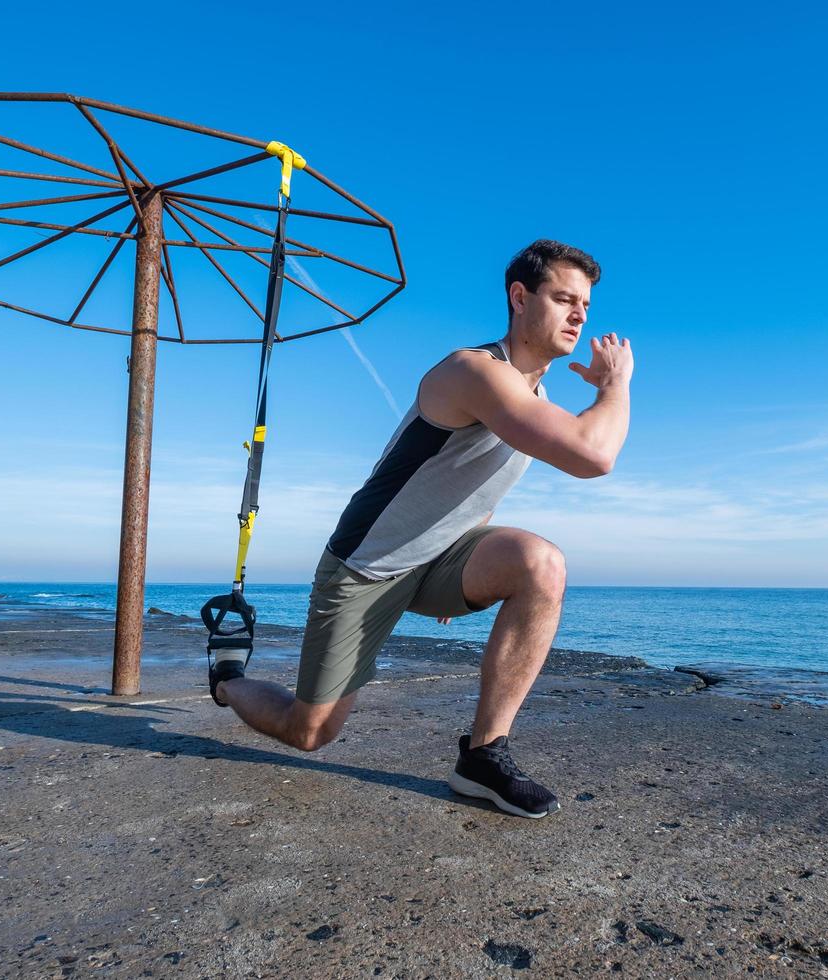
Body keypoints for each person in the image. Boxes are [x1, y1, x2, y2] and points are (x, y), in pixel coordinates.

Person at [210, 239, 633, 818]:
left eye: (584, 304)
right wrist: (615, 386)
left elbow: (478, 488)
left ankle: (483, 757)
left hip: (436, 560)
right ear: (518, 298)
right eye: (564, 298)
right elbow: (593, 455)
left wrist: (454, 560)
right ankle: (228, 677)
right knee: (310, 731)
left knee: (543, 564)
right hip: (367, 566)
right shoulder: (475, 371)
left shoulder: (537, 394)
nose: (580, 315)